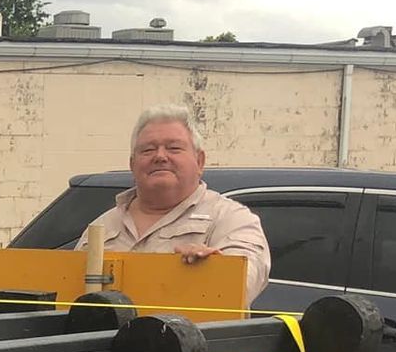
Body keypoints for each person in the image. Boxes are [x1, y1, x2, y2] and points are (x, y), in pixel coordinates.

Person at [76, 104, 270, 301]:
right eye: (148, 150)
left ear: (200, 161)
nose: (160, 156)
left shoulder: (231, 219)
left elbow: (246, 280)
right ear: (132, 165)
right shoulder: (102, 226)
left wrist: (215, 268)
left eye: (174, 148)